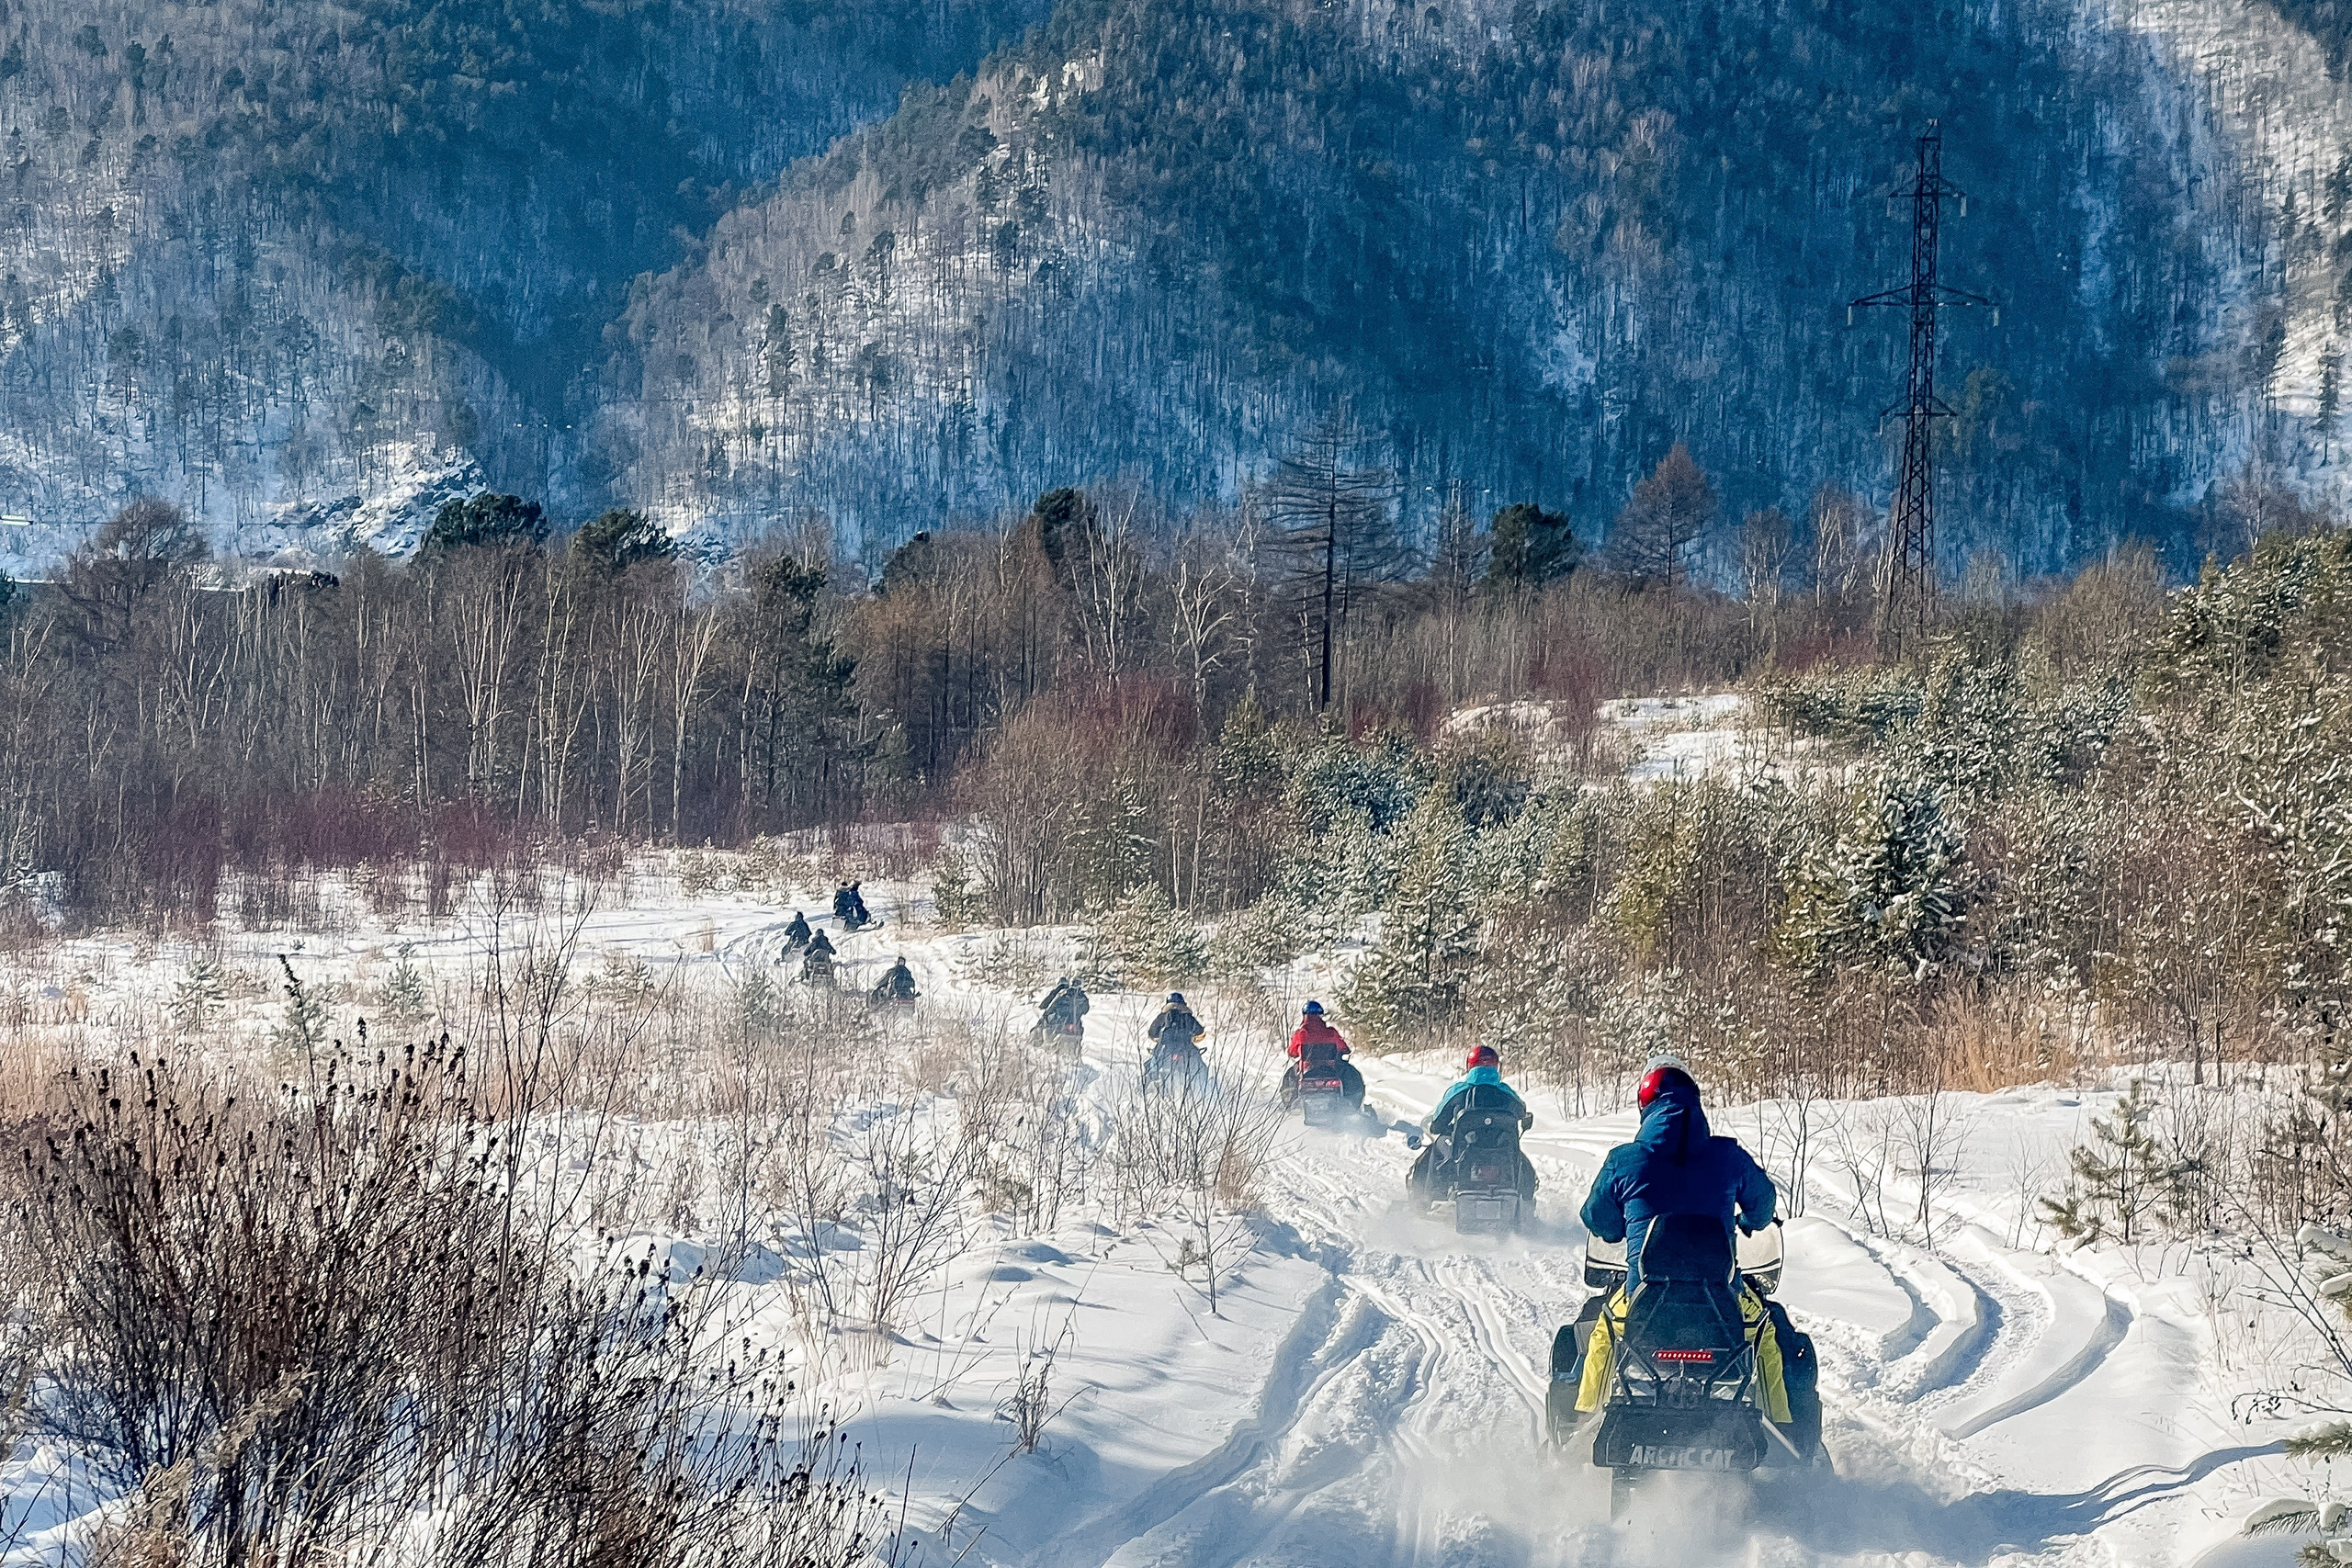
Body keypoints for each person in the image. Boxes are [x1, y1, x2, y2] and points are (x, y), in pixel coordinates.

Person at [1563, 1056, 1804, 1446]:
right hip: (1722, 1299)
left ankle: (1582, 1425)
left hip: (1644, 1296)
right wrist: (1749, 1223)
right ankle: (1785, 1433)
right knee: (1767, 1334)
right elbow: (1764, 1204)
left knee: (1604, 1331)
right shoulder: (1728, 1157)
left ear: (1645, 1106)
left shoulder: (1625, 1161)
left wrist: (1619, 1227)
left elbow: (1596, 1218)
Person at [1408, 1044, 1536, 1201]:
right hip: (1502, 1154)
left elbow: (1437, 1124)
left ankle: (1426, 1199)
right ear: (1496, 1066)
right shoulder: (1506, 1093)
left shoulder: (1459, 1091)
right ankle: (1526, 1201)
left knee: (1436, 1148)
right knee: (1523, 1164)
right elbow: (1521, 1113)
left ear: (1469, 1066)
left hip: (1463, 1154)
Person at [1283, 1000, 1364, 1111]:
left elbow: (1292, 1052)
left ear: (1304, 1015)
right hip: (1331, 1070)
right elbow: (1344, 1048)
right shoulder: (1331, 1033)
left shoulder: (1300, 1034)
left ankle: (1290, 1105)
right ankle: (1351, 1104)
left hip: (1306, 1071)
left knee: (1289, 1078)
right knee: (1352, 1076)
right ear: (1320, 1015)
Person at [1146, 991, 1205, 1071]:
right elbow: (1200, 1031)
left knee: (1152, 1062)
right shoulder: (1188, 1016)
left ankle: (1149, 1080)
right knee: (1200, 1065)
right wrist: (1192, 1037)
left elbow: (1152, 1032)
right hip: (1185, 1048)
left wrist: (1158, 1037)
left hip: (1165, 1049)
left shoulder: (1162, 1016)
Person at [1036, 976, 1090, 1046]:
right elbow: (1085, 1010)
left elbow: (1052, 1005)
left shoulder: (1064, 995)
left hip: (1061, 1021)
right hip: (1075, 1023)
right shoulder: (1083, 997)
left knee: (1046, 1026)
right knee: (1078, 1035)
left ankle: (1044, 1044)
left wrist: (1049, 1012)